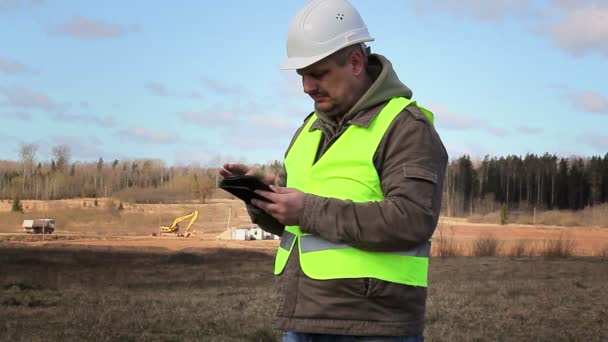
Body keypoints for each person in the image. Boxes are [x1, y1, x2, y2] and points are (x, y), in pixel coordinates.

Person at [220, 0, 448, 340]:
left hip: (374, 326)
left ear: (355, 62)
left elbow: (412, 219)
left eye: (318, 73)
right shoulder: (308, 129)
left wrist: (306, 209)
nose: (307, 87)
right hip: (303, 321)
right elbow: (296, 226)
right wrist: (262, 199)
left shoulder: (406, 127)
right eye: (302, 76)